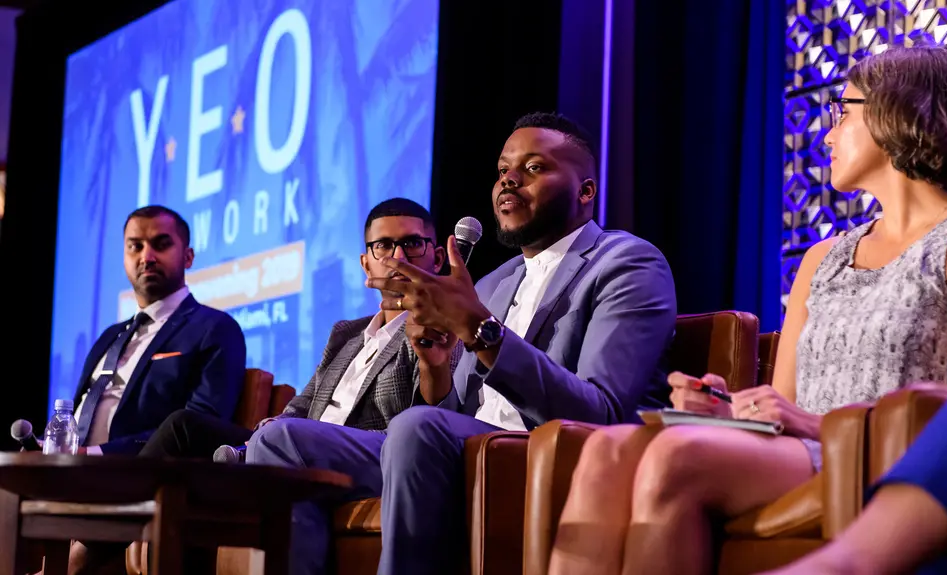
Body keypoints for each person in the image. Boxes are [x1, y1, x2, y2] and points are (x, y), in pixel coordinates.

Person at [544, 45, 947, 575]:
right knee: (607, 451)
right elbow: (782, 403)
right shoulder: (823, 258)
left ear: (896, 111)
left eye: (843, 112)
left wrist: (811, 423)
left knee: (676, 460)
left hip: (880, 455)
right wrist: (729, 411)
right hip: (798, 450)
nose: (828, 135)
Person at [247, 111, 677, 574]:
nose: (508, 181)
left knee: (416, 428)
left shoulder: (626, 263)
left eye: (533, 168)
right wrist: (433, 367)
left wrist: (479, 329)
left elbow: (601, 412)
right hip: (462, 449)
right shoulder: (494, 282)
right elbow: (455, 418)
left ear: (585, 191)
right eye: (502, 170)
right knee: (279, 440)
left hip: (542, 454)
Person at [64, 198, 457, 575]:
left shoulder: (444, 327)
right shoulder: (346, 333)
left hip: (362, 454)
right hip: (295, 446)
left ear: (436, 257)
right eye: (384, 245)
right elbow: (301, 407)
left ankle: (85, 550)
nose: (398, 257)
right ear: (365, 261)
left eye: (412, 244)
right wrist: (274, 430)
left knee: (190, 427)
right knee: (264, 442)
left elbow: (427, 418)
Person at [56, 205, 246, 574]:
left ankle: (82, 556)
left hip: (136, 477)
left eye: (160, 244)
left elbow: (198, 424)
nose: (147, 256)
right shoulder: (109, 337)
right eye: (135, 246)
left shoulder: (214, 328)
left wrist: (100, 454)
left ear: (188, 255)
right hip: (69, 472)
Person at [763, 388, 947, 574]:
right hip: (795, 439)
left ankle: (841, 564)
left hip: (854, 439)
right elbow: (780, 401)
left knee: (845, 563)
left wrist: (818, 424)